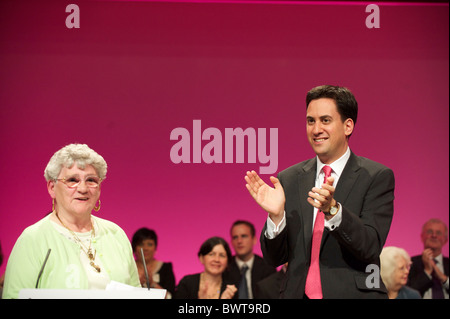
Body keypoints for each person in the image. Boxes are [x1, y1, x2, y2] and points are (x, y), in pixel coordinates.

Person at [245, 85, 395, 299]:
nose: (316, 130)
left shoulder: (375, 176)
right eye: (310, 121)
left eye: (325, 120)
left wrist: (333, 211)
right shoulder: (289, 178)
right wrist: (276, 217)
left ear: (348, 126)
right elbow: (274, 259)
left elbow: (370, 246)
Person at [2, 143, 140, 299]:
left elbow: (136, 293)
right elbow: (13, 296)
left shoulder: (116, 234)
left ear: (99, 188)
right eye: (72, 180)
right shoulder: (32, 238)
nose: (83, 188)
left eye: (91, 180)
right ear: (52, 188)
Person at [225, 220, 276, 299]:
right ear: (231, 242)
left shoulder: (268, 268)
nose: (239, 241)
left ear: (254, 239)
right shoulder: (225, 268)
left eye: (244, 236)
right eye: (235, 237)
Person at [408, 219, 449, 299]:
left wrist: (443, 278)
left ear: (446, 240)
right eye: (430, 232)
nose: (434, 235)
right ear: (422, 237)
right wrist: (427, 272)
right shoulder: (409, 263)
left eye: (438, 233)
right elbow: (406, 293)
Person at [131, 227, 176, 298]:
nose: (145, 248)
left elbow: (170, 297)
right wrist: (137, 284)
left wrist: (152, 284)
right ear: (134, 247)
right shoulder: (128, 269)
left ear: (155, 248)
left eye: (149, 244)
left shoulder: (166, 268)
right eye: (141, 244)